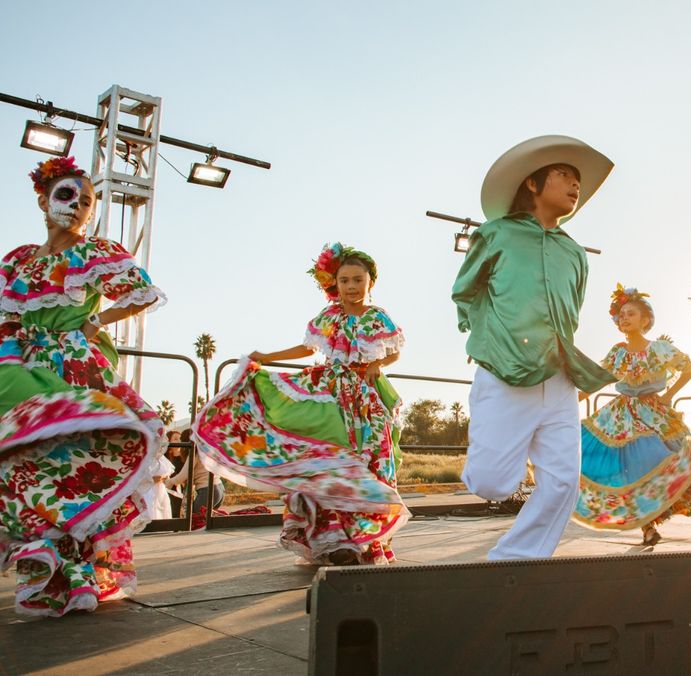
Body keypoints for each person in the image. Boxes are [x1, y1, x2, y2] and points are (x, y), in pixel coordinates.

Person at [0, 157, 166, 616]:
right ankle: (49, 561)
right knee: (30, 466)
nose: (76, 207)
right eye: (66, 196)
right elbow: (5, 318)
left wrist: (96, 322)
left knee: (77, 465)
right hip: (23, 370)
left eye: (87, 201)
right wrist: (9, 363)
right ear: (43, 200)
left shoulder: (92, 253)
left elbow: (141, 291)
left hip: (75, 367)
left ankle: (79, 571)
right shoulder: (16, 260)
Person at [452, 135, 616, 560]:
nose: (574, 185)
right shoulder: (496, 234)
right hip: (504, 372)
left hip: (559, 376)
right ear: (532, 183)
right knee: (492, 483)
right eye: (564, 175)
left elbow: (572, 311)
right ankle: (498, 452)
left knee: (564, 481)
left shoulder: (576, 253)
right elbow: (465, 292)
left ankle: (518, 558)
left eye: (577, 180)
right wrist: (487, 340)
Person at [193, 243, 409, 565]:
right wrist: (266, 357)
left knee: (368, 462)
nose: (351, 287)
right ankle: (333, 539)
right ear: (334, 283)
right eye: (344, 280)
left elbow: (395, 350)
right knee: (322, 458)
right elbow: (307, 350)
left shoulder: (377, 317)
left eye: (358, 280)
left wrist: (381, 364)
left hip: (363, 397)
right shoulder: (328, 317)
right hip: (327, 391)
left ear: (370, 283)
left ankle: (365, 541)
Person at [573, 285, 691, 545]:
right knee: (628, 467)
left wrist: (668, 396)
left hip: (654, 413)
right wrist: (569, 401)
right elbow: (596, 380)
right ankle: (647, 527)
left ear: (645, 320)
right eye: (621, 315)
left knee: (660, 457)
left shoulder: (659, 348)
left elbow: (688, 368)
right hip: (621, 416)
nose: (624, 318)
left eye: (631, 313)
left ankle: (653, 516)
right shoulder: (617, 352)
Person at [166, 428, 225, 517]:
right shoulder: (205, 451)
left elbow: (182, 476)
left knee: (192, 518)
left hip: (207, 491)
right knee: (205, 522)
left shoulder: (194, 454)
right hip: (219, 488)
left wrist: (169, 482)